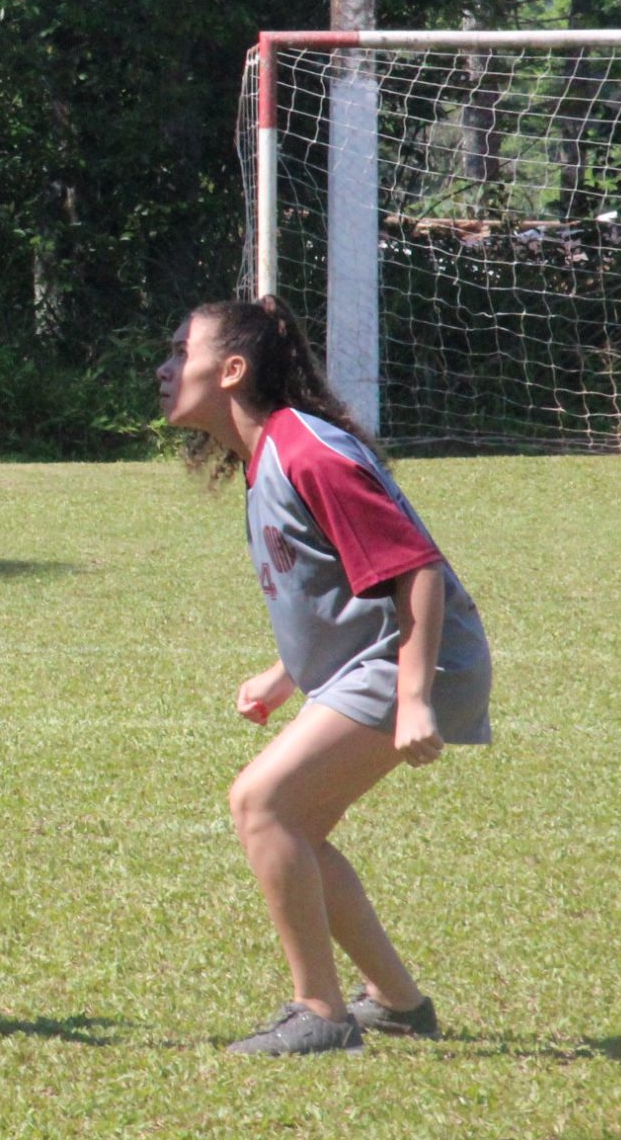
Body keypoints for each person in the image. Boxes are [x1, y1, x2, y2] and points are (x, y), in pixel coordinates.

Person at [156, 295, 490, 1056]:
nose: (165, 367)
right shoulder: (271, 452)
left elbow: (416, 571)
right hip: (383, 656)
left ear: (231, 370)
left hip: (421, 658)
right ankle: (399, 1003)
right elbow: (341, 584)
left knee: (261, 803)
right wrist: (287, 673)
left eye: (181, 351)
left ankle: (321, 1013)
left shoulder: (305, 449)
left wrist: (413, 698)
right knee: (294, 828)